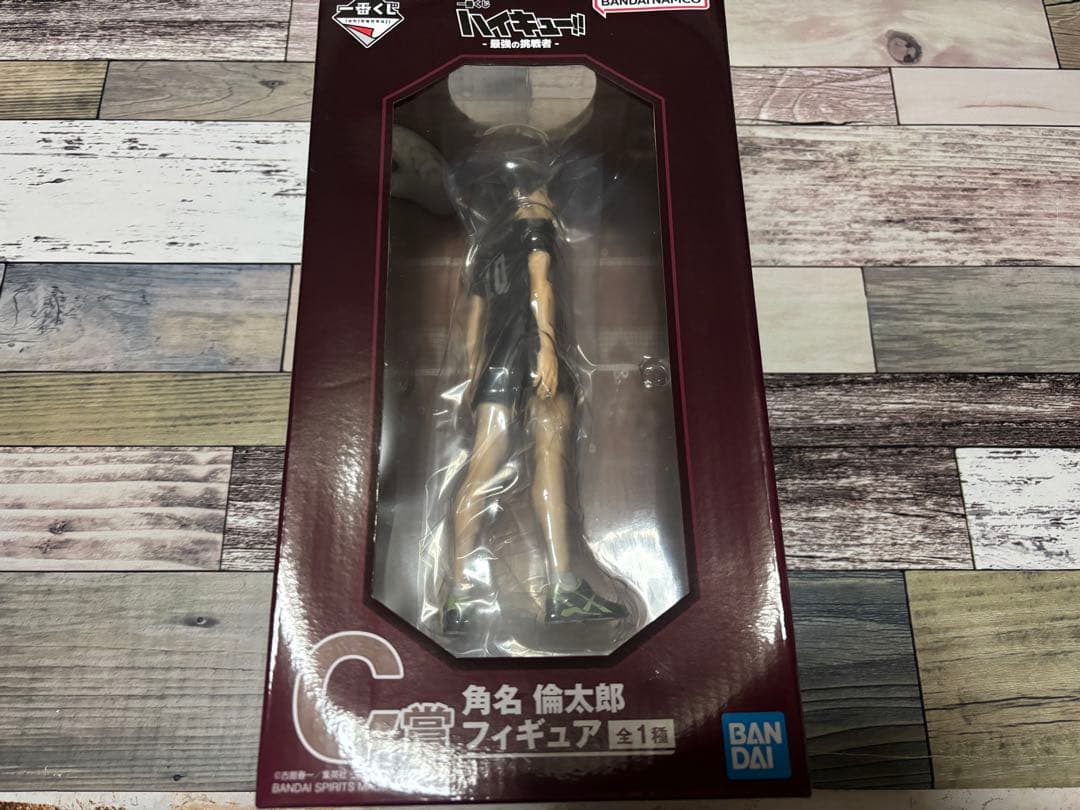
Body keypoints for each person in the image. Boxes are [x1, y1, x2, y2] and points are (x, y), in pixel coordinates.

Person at [441, 125, 627, 635]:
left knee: (479, 472)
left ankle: (459, 594)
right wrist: (546, 348)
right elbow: (541, 287)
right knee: (551, 464)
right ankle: (563, 587)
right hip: (535, 355)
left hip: (496, 365)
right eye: (546, 186)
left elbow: (475, 320)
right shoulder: (536, 227)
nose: (550, 197)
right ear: (529, 188)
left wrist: (476, 376)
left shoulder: (488, 244)